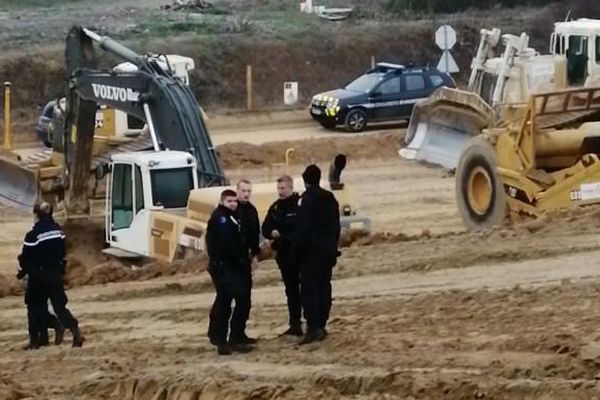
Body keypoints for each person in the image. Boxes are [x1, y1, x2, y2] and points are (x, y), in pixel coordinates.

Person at [19, 202, 84, 348]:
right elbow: (62, 251)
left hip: (38, 277)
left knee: (34, 307)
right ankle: (75, 332)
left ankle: (39, 338)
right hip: (55, 274)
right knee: (60, 307)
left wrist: (24, 270)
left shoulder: (33, 235)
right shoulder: (58, 231)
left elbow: (25, 258)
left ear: (37, 215)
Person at [294, 164, 341, 345]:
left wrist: (297, 251)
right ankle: (322, 324)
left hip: (311, 252)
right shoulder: (330, 198)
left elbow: (303, 228)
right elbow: (336, 226)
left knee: (309, 289)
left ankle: (313, 328)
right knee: (324, 286)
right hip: (328, 250)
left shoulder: (307, 200)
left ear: (305, 181)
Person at [205, 190, 254, 355]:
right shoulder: (221, 218)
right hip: (225, 267)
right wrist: (239, 259)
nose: (233, 204)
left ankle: (234, 336)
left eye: (234, 201)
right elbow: (226, 245)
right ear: (222, 202)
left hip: (236, 266)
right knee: (226, 303)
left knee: (238, 301)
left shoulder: (235, 215)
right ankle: (223, 340)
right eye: (229, 201)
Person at [261, 175, 303, 337]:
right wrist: (271, 232)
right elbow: (265, 228)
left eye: (283, 188)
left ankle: (314, 324)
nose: (280, 191)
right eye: (278, 188)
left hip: (300, 253)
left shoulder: (300, 205)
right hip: (284, 256)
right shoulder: (276, 208)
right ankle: (295, 324)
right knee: (291, 291)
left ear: (291, 188)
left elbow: (301, 228)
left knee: (306, 289)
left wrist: (285, 236)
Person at [17, 253, 65, 350]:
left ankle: (38, 338)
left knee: (34, 312)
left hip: (38, 280)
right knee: (39, 309)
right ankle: (43, 338)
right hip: (45, 276)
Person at [233, 179, 260, 344]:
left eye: (249, 191)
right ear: (237, 190)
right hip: (233, 260)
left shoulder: (251, 210)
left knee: (246, 299)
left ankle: (240, 333)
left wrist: (255, 255)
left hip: (246, 260)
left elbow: (254, 235)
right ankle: (234, 335)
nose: (246, 194)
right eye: (243, 190)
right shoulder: (232, 209)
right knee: (237, 298)